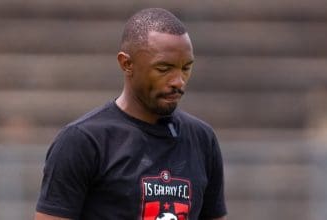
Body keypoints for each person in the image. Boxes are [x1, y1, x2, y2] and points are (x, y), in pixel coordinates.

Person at [35, 8, 227, 220]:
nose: (178, 81)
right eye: (164, 68)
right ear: (126, 64)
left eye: (186, 68)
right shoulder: (83, 141)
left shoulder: (201, 138)